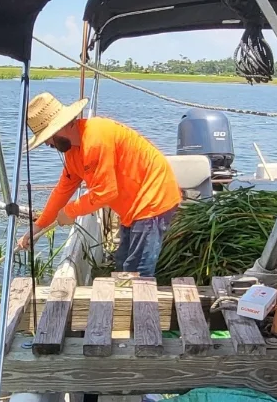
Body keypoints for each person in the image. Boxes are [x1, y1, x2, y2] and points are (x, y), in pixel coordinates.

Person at [17, 92, 181, 277]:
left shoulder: (95, 139)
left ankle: (141, 303)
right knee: (123, 263)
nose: (47, 143)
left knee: (138, 270)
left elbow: (106, 193)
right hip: (131, 206)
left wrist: (69, 212)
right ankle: (126, 299)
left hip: (154, 198)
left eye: (47, 137)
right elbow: (62, 191)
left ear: (60, 128)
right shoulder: (72, 152)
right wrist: (37, 227)